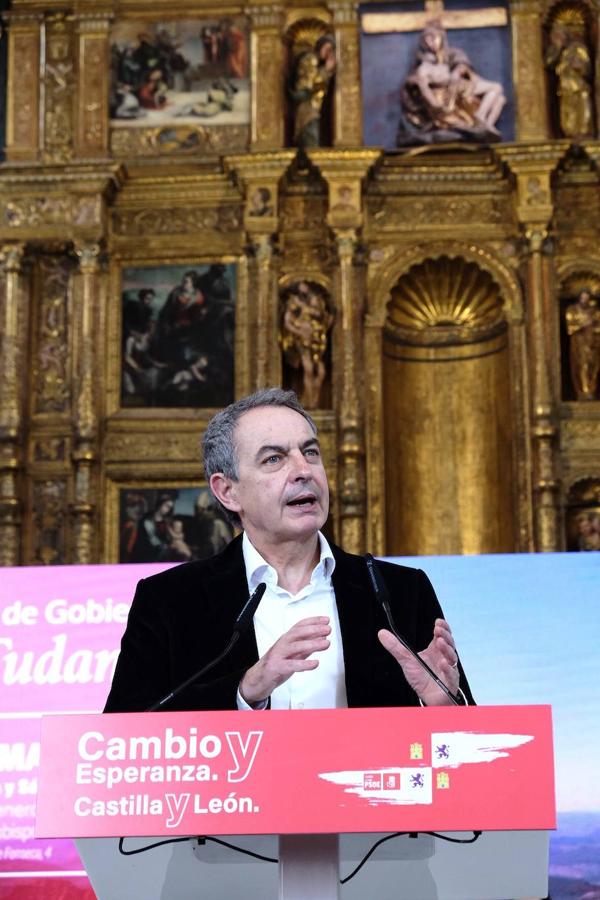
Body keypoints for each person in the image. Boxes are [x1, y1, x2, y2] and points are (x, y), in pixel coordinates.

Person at [105, 388, 473, 713]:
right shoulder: (170, 601)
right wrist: (245, 691)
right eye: (274, 459)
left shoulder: (398, 593)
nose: (303, 470)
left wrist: (440, 702)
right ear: (227, 491)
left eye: (310, 452)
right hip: (235, 794)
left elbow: (463, 750)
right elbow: (126, 740)